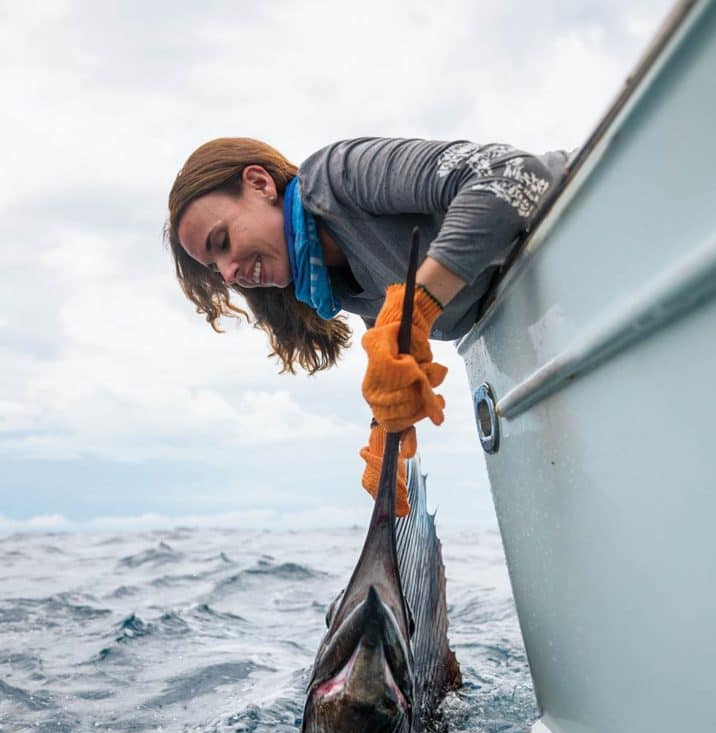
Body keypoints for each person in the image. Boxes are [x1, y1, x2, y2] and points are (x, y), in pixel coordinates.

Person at [166, 137, 569, 513]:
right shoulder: (344, 286)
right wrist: (385, 430)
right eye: (215, 270)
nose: (229, 274)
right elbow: (397, 345)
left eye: (221, 243)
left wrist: (420, 305)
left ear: (259, 184)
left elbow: (515, 174)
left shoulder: (337, 176)